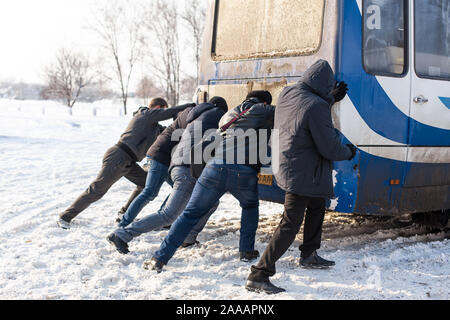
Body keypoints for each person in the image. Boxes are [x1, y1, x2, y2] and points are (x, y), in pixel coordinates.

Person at [245, 60, 356, 294]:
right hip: (303, 170)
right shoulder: (318, 106)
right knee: (290, 223)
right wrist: (349, 151)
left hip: (290, 163)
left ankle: (309, 254)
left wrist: (329, 98)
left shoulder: (289, 92)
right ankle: (259, 274)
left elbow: (303, 110)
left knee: (318, 203)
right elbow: (329, 148)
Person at [143, 91, 276, 273]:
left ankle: (159, 257)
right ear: (264, 101)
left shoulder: (230, 113)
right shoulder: (264, 109)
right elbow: (287, 111)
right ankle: (246, 251)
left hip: (214, 167)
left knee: (190, 213)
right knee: (250, 206)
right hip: (243, 171)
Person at [107, 97, 229, 254]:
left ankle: (188, 237)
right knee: (167, 214)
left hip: (177, 164)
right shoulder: (217, 116)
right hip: (187, 168)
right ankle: (122, 234)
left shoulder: (194, 115)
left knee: (211, 202)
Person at [57, 98, 194, 229]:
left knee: (145, 183)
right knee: (97, 189)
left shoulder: (155, 127)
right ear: (158, 108)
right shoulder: (145, 114)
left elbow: (170, 132)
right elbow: (167, 113)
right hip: (118, 156)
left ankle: (124, 213)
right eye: (162, 110)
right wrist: (189, 106)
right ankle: (65, 217)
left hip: (129, 161)